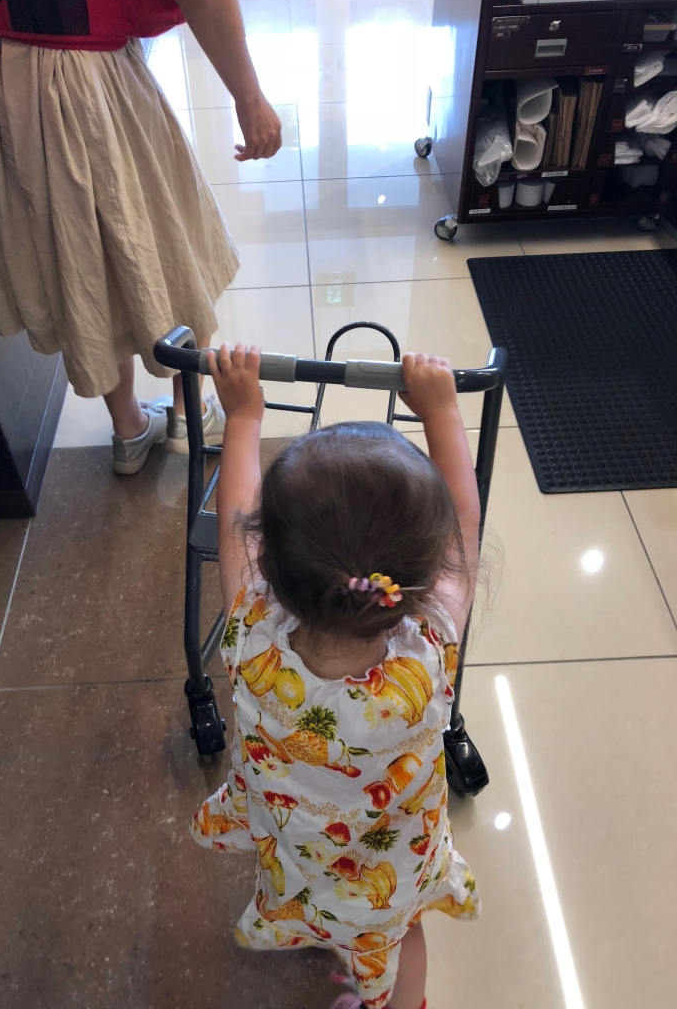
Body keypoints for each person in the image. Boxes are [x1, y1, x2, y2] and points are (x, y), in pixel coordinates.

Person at [191, 344, 482, 1009]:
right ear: (418, 577)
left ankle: (332, 930)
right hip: (396, 861)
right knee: (401, 935)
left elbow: (232, 524)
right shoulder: (430, 646)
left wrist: (244, 415)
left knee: (327, 905)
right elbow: (464, 521)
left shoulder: (251, 638)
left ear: (270, 563)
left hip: (300, 848)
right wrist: (441, 412)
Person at [0, 0, 281, 473]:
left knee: (74, 250)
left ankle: (129, 429)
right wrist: (249, 96)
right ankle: (189, 415)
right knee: (161, 235)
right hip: (82, 63)